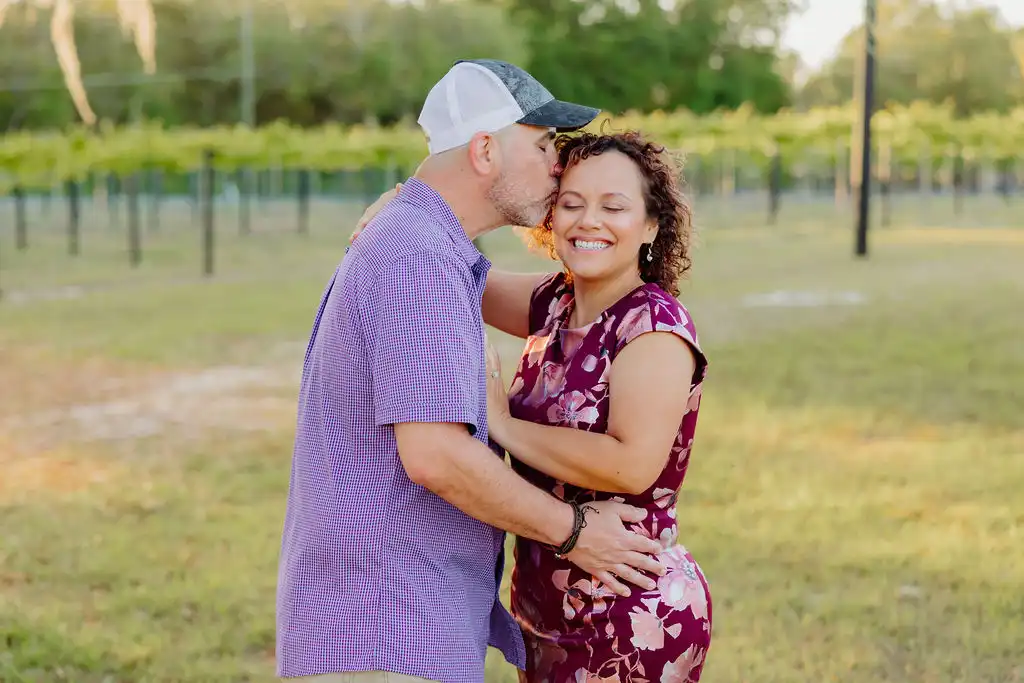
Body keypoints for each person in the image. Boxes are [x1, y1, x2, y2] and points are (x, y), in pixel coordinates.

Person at [275, 59, 667, 683]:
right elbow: (436, 456)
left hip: (397, 619)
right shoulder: (419, 257)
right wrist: (573, 532)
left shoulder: (427, 245)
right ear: (485, 150)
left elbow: (572, 304)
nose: (557, 165)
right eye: (542, 145)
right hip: (388, 628)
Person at [356, 130, 711, 682]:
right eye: (572, 203)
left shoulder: (654, 327)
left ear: (650, 225)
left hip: (630, 610)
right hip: (545, 608)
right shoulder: (554, 303)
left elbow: (633, 464)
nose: (589, 221)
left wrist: (504, 425)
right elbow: (447, 267)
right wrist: (401, 215)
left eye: (614, 207)